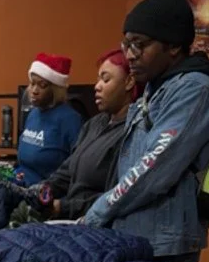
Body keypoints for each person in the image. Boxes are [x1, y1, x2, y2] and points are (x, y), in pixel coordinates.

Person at [81, 0, 209, 262]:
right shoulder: (158, 85)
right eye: (126, 45)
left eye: (139, 45)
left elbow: (152, 168)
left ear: (173, 46)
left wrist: (98, 211)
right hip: (135, 233)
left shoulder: (195, 90)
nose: (130, 55)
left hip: (163, 245)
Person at [46, 49, 139, 219]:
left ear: (129, 82)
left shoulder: (133, 133)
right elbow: (68, 170)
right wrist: (44, 190)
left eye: (106, 79)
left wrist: (63, 207)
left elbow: (116, 196)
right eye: (98, 79)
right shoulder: (95, 123)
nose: (97, 86)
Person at [16, 53, 82, 185]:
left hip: (45, 194)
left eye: (42, 85)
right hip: (19, 184)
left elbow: (78, 168)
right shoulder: (33, 114)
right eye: (32, 83)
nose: (34, 90)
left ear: (55, 89)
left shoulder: (70, 119)